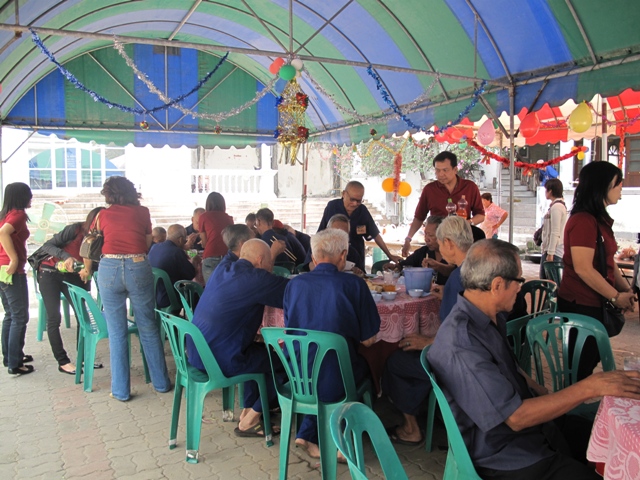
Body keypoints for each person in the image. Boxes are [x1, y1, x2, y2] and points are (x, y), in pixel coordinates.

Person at [428, 239, 640, 480]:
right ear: (497, 285)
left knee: (611, 442)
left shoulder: (486, 317)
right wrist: (591, 387)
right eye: (519, 280)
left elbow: (508, 368)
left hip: (531, 433)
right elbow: (516, 418)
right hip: (507, 456)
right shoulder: (463, 342)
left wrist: (539, 389)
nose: (520, 288)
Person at [284, 229, 380, 458]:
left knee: (322, 362)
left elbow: (291, 328)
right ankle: (342, 441)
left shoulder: (294, 284)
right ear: (343, 255)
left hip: (299, 374)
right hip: (337, 374)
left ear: (313, 257)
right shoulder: (354, 284)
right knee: (361, 368)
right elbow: (368, 340)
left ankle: (307, 432)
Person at [382, 216, 471, 445]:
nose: (437, 246)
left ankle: (412, 428)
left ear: (448, 243)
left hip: (460, 361)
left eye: (439, 242)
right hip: (472, 356)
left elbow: (463, 330)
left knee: (396, 361)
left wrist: (430, 342)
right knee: (412, 351)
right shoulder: (474, 267)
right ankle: (432, 409)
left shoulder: (459, 277)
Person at [188, 239, 288, 436]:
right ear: (260, 260)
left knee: (259, 352)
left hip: (198, 352)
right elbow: (295, 292)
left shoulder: (222, 269)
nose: (271, 267)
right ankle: (251, 419)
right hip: (221, 359)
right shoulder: (256, 278)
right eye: (270, 262)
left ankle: (248, 409)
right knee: (287, 361)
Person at [84, 176, 171, 402]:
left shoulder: (102, 215)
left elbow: (91, 242)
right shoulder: (142, 212)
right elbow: (146, 243)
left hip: (109, 267)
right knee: (148, 326)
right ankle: (161, 383)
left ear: (109, 194)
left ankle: (121, 391)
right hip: (138, 265)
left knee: (117, 332)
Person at [558, 161, 636, 380]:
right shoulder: (583, 221)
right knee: (579, 369)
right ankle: (571, 401)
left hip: (596, 303)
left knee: (589, 361)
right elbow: (584, 268)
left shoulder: (598, 220)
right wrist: (615, 297)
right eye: (617, 183)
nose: (621, 188)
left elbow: (607, 261)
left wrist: (626, 290)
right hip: (581, 305)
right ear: (602, 185)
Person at [31, 207, 103, 375]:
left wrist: (89, 270)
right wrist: (66, 256)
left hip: (74, 275)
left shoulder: (102, 238)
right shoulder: (75, 229)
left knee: (82, 316)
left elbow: (96, 261)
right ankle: (62, 362)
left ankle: (83, 357)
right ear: (92, 219)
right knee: (54, 318)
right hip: (50, 273)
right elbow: (47, 245)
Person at [402, 151, 484, 256]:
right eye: (437, 170)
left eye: (445, 170)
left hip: (462, 243)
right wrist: (408, 239)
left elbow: (481, 215)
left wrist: (466, 223)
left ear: (455, 169)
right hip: (438, 244)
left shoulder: (470, 187)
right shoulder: (430, 189)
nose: (441, 174)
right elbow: (419, 217)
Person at [317, 181, 402, 266]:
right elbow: (320, 233)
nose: (355, 204)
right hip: (334, 257)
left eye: (359, 201)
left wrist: (389, 255)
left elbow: (375, 235)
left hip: (356, 257)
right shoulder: (332, 207)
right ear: (344, 194)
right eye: (352, 199)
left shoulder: (362, 211)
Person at [0, 183, 33, 376]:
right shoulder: (18, 215)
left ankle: (11, 356)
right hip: (11, 270)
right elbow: (3, 233)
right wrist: (13, 259)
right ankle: (15, 363)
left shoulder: (4, 214)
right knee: (20, 316)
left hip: (2, 269)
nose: (31, 198)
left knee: (11, 315)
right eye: (29, 194)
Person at [384, 216, 453, 285]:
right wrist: (396, 267)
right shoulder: (423, 252)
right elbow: (405, 264)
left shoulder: (453, 254)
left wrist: (438, 266)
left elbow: (455, 271)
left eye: (431, 235)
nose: (426, 239)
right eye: (425, 234)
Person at [432, 216, 473, 321]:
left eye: (440, 244)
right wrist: (447, 295)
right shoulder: (484, 266)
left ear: (448, 243)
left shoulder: (458, 276)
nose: (440, 250)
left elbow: (451, 324)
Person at [148, 224, 196, 313]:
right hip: (169, 297)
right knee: (197, 292)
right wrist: (194, 262)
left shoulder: (154, 247)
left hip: (154, 294)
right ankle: (194, 319)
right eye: (184, 239)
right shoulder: (177, 252)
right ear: (180, 239)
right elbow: (191, 275)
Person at [199, 192, 234, 284]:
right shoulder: (229, 218)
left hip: (210, 255)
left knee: (211, 288)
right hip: (227, 256)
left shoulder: (203, 217)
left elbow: (204, 243)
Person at [539, 179, 567, 279]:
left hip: (554, 251)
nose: (545, 192)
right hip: (550, 250)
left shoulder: (557, 207)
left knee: (551, 282)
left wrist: (551, 253)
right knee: (546, 281)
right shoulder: (556, 206)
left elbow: (555, 231)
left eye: (546, 190)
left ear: (550, 191)